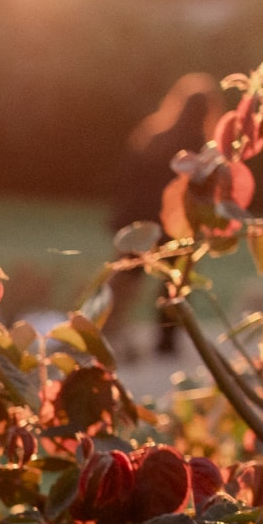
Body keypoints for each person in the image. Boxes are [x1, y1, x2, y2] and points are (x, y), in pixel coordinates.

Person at [104, 73, 222, 358]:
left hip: (138, 218)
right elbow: (203, 192)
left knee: (124, 279)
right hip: (174, 223)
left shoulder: (154, 134)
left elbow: (129, 178)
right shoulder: (200, 147)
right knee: (175, 282)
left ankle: (106, 327)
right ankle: (166, 340)